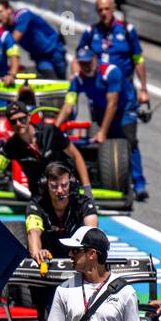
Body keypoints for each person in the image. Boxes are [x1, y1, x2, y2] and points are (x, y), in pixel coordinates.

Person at [77, 0, 150, 200]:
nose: (103, 13)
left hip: (125, 94)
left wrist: (144, 88)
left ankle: (138, 182)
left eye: (107, 9)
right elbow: (78, 57)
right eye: (100, 10)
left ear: (114, 8)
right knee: (102, 134)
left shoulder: (127, 31)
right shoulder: (91, 33)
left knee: (129, 138)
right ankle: (106, 178)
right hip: (101, 95)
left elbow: (138, 59)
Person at [55, 45, 142, 204]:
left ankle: (138, 183)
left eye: (88, 62)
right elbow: (68, 105)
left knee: (128, 141)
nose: (86, 66)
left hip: (124, 108)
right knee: (101, 141)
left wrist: (103, 131)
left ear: (95, 59)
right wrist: (55, 127)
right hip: (101, 108)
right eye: (82, 63)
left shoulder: (111, 72)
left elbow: (113, 104)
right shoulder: (78, 78)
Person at [0, 100, 89, 205]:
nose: (19, 124)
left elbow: (76, 156)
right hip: (41, 198)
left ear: (29, 117)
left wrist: (87, 188)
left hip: (66, 192)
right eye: (14, 122)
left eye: (22, 119)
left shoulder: (51, 131)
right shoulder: (10, 146)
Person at [25, 162, 98, 265]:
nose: (59, 191)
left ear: (71, 183)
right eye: (54, 186)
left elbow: (93, 232)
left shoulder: (83, 203)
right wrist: (37, 253)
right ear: (45, 184)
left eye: (64, 185)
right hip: (46, 256)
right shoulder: (36, 204)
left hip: (76, 256)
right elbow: (34, 231)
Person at [0, 0, 66, 80]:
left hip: (55, 50)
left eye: (0, 12)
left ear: (9, 10)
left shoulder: (23, 15)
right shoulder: (7, 28)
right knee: (51, 79)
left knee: (62, 80)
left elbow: (14, 39)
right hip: (40, 57)